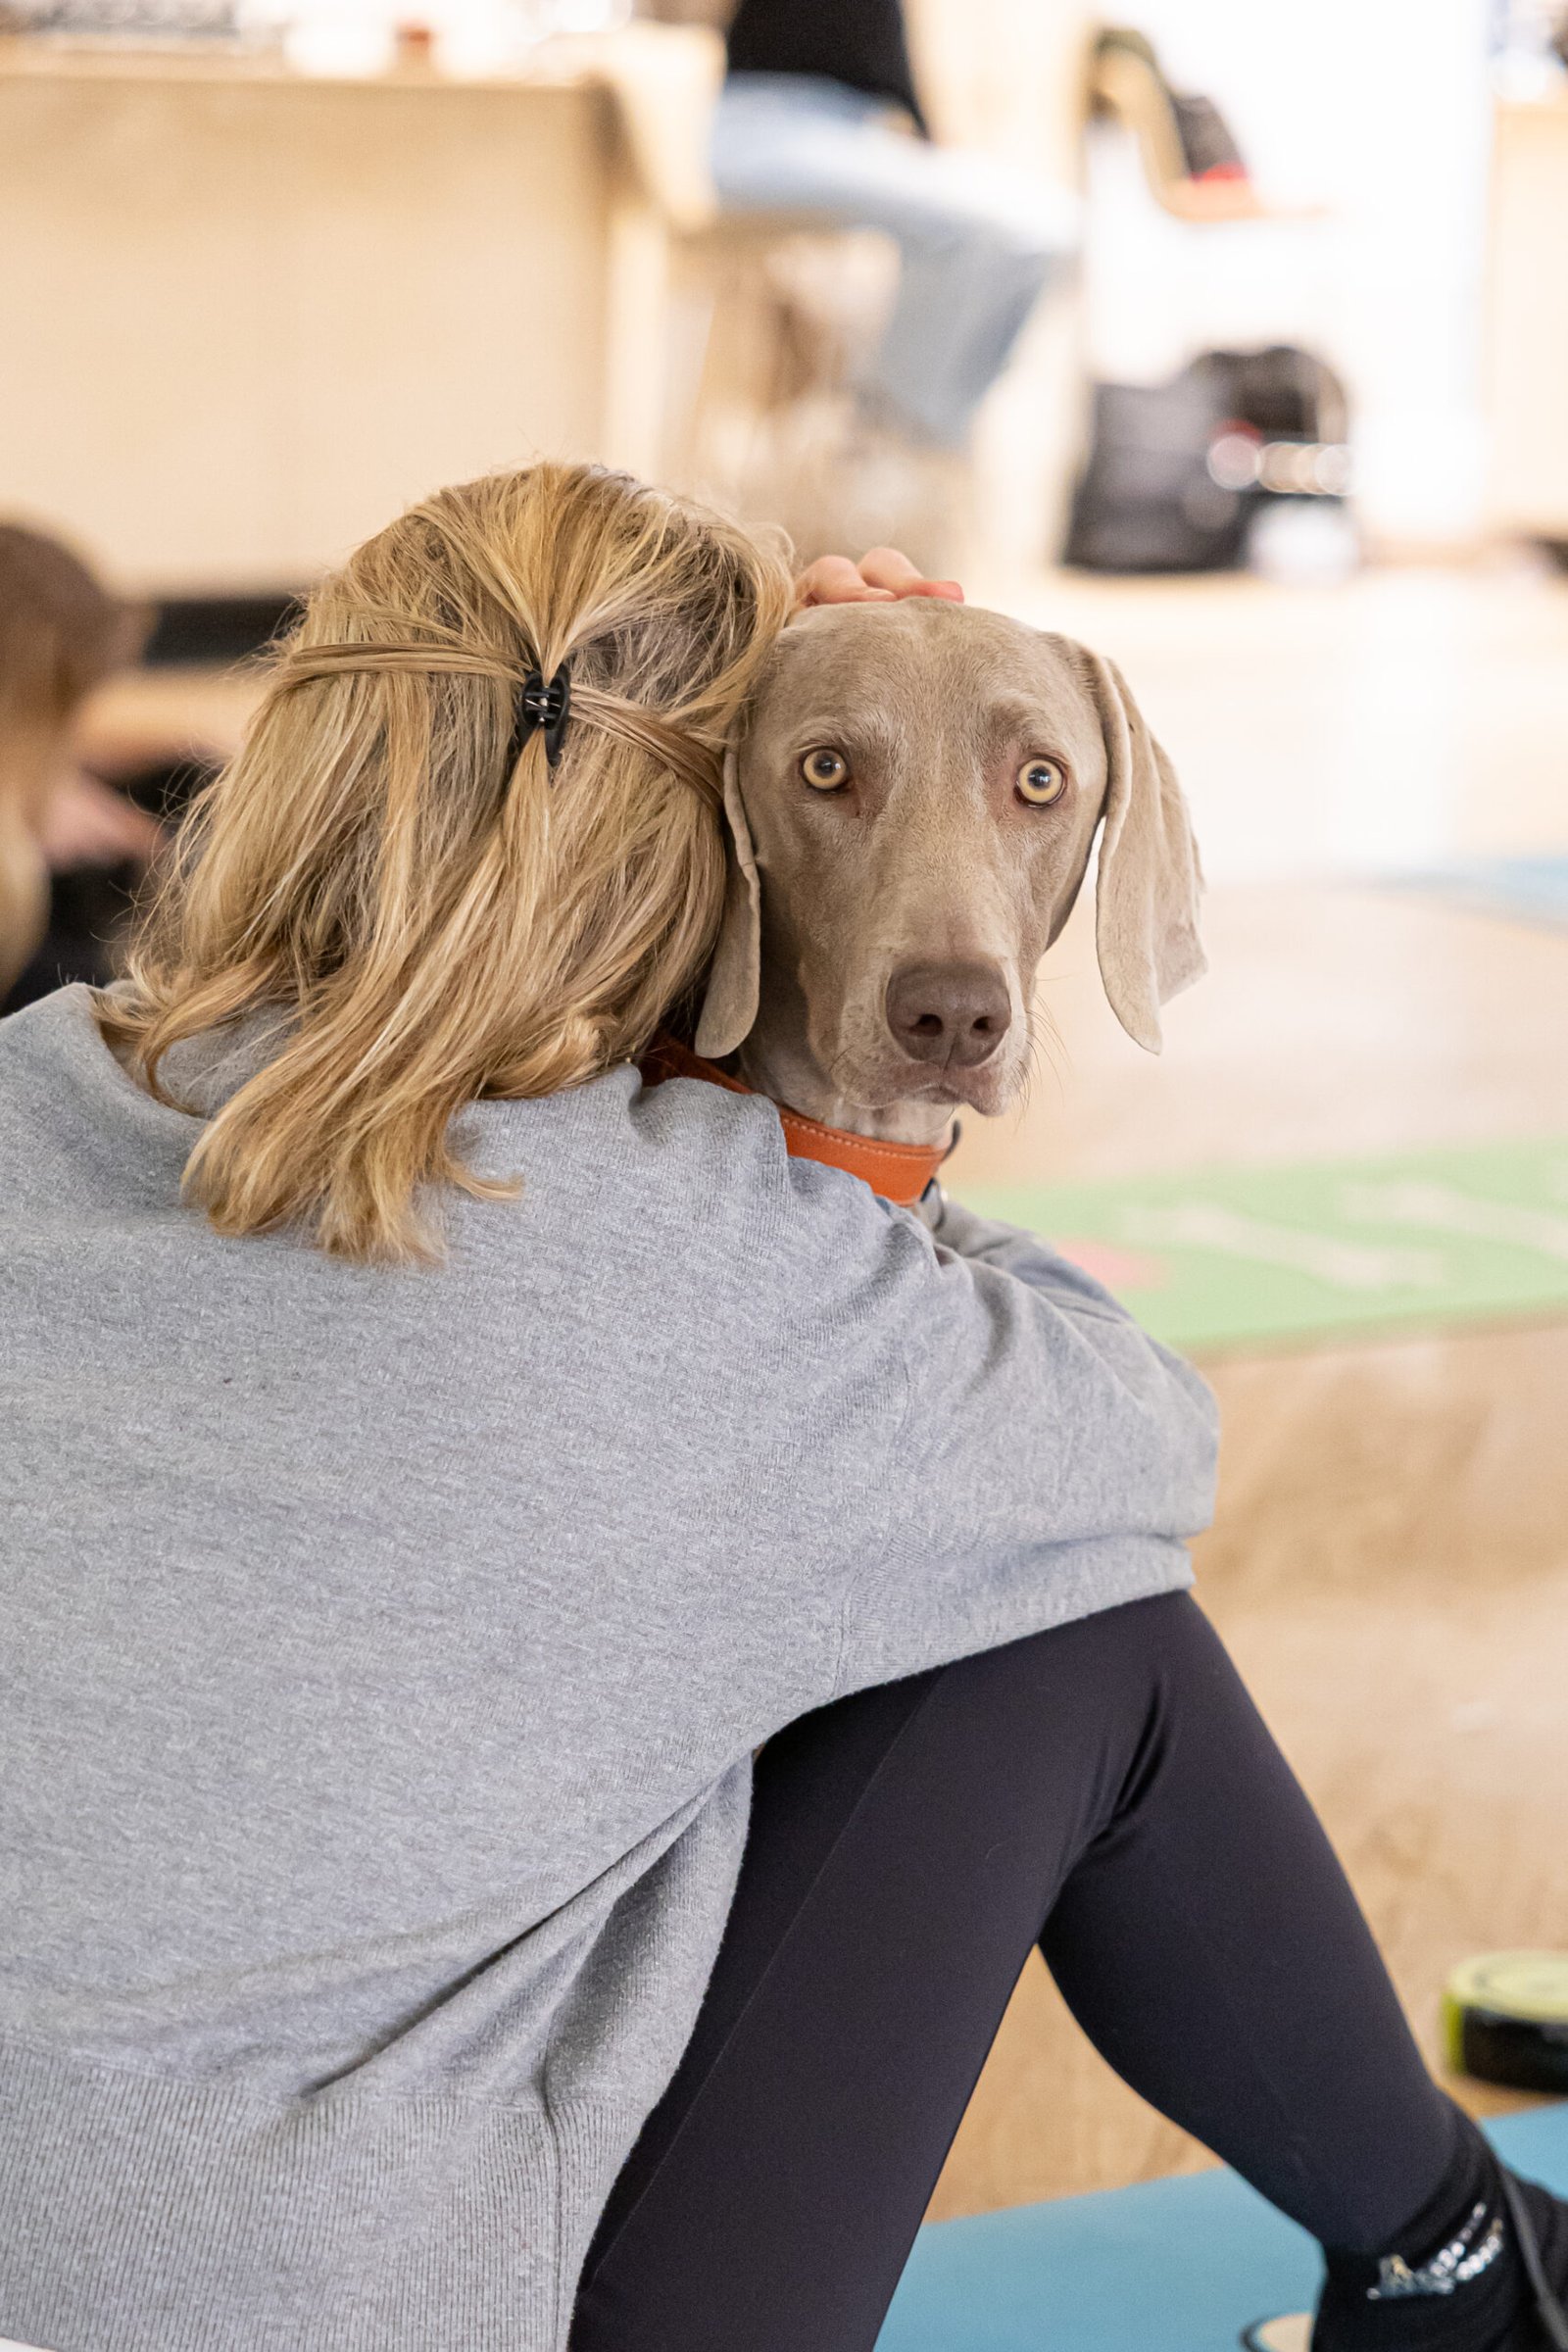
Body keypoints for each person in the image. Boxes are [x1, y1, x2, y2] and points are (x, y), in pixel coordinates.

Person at [1, 462, 1563, 2352]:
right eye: (801, 782)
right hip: (336, 2305)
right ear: (691, 844)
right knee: (1055, 1631)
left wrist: (841, 745)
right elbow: (1136, 1449)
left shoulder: (36, 1081)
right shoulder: (685, 1267)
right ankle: (1461, 2269)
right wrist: (779, 1120)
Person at [710, 0, 1079, 450]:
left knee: (1041, 231)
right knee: (1015, 228)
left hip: (852, 129)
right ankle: (893, 440)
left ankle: (907, 435)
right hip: (764, 119)